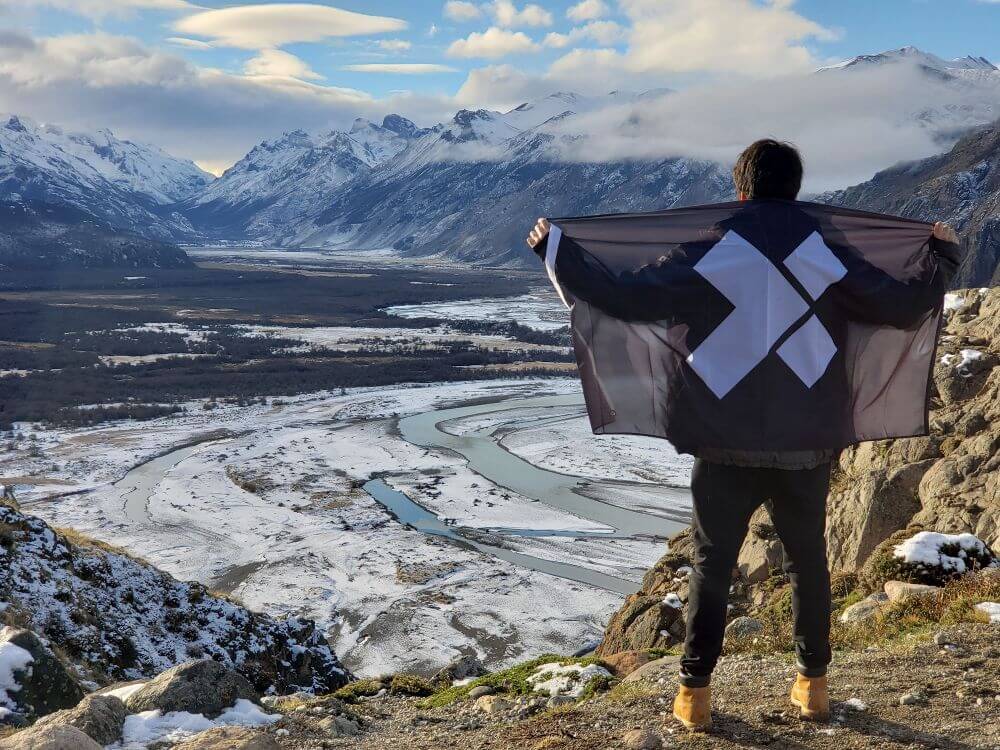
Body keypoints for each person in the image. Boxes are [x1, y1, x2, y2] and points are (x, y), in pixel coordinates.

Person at [527, 139, 959, 732]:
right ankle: (813, 686)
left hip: (723, 437)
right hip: (806, 441)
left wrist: (559, 251)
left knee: (711, 563)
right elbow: (901, 306)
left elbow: (627, 295)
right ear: (795, 188)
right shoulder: (825, 252)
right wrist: (941, 257)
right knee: (809, 563)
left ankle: (695, 695)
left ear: (741, 188)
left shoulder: (713, 248)